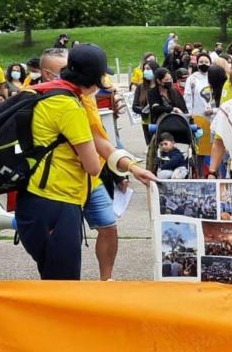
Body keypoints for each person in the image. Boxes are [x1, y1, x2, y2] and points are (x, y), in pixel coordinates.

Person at [16, 44, 155, 280]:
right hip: (57, 200)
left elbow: (98, 140)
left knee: (55, 277)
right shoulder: (69, 105)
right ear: (94, 79)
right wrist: (115, 165)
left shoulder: (56, 94)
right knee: (64, 281)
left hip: (45, 197)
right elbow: (92, 165)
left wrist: (131, 167)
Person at [132, 59, 160, 144]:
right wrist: (145, 110)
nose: (145, 71)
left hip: (160, 120)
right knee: (150, 144)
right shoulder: (141, 87)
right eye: (144, 69)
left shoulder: (160, 86)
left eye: (148, 69)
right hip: (146, 121)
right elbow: (135, 106)